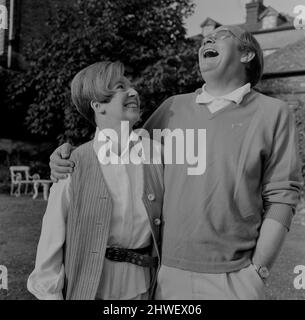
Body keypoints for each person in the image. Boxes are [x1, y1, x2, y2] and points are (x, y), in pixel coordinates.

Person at [49, 26, 302, 300]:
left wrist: (258, 270)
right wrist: (68, 154)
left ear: (247, 55)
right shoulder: (171, 108)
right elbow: (122, 149)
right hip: (169, 275)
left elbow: (282, 197)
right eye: (208, 37)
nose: (209, 38)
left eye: (223, 35)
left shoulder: (274, 113)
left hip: (236, 277)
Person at [27, 61, 163, 300]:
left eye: (131, 86)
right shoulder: (73, 163)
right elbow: (51, 244)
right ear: (98, 105)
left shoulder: (157, 154)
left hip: (146, 288)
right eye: (121, 86)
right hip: (91, 290)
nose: (134, 92)